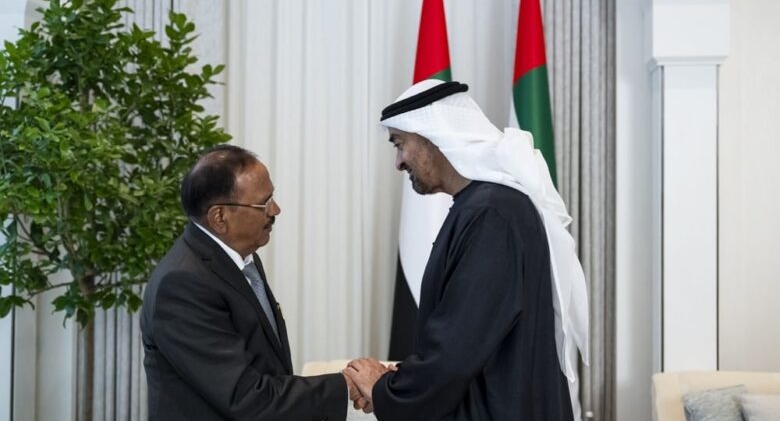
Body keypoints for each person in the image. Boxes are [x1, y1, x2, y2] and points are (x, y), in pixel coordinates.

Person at [344, 80, 589, 420]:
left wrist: (387, 389)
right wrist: (397, 385)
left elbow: (457, 346)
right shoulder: (485, 206)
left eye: (400, 144)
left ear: (432, 137)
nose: (398, 162)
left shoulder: (491, 214)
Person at [141, 144, 358, 420]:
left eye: (272, 197)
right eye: (263, 203)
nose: (275, 210)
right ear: (219, 217)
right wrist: (346, 386)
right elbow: (244, 397)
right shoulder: (182, 285)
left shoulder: (240, 258)